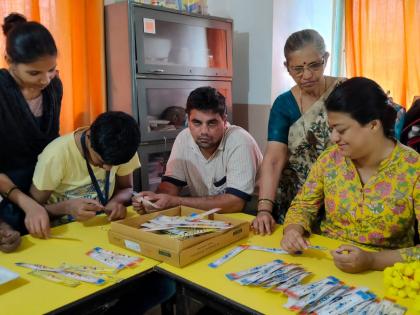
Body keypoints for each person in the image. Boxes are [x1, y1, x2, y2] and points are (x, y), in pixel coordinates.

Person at [281, 77, 419, 273]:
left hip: (385, 275)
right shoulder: (330, 160)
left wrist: (372, 261)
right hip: (325, 266)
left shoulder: (413, 168)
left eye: (341, 130)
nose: (333, 138)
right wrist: (293, 230)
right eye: (331, 129)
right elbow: (303, 205)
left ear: (373, 125)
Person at [252, 29, 342, 235]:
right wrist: (264, 209)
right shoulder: (284, 104)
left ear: (325, 59)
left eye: (314, 65)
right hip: (295, 203)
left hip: (341, 200)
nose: (307, 75)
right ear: (287, 67)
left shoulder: (345, 92)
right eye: (298, 69)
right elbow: (274, 159)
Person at [133, 86, 262, 213]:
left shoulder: (240, 141)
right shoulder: (184, 138)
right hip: (212, 216)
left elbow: (236, 203)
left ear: (224, 120)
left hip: (252, 215)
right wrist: (153, 201)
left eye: (211, 123)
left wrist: (175, 201)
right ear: (187, 120)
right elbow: (170, 186)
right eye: (197, 123)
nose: (204, 131)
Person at [0, 13, 62, 243]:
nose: (45, 79)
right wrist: (29, 204)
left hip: (43, 182)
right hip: (6, 184)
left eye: (51, 69)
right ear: (9, 60)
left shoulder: (55, 87)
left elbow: (53, 143)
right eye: (34, 73)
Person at [29, 111, 140, 222]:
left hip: (102, 225)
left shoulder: (123, 148)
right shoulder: (56, 155)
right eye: (102, 161)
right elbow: (32, 210)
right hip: (62, 230)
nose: (108, 168)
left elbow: (126, 188)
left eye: (115, 164)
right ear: (89, 137)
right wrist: (66, 208)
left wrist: (116, 202)